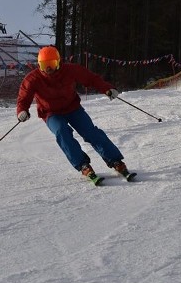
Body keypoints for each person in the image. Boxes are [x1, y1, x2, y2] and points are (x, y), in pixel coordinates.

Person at [16, 45, 134, 184]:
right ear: (39, 65)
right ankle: (83, 165)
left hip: (72, 108)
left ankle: (115, 161)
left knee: (90, 132)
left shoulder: (70, 70)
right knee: (62, 131)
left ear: (58, 62)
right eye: (44, 65)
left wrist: (107, 88)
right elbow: (23, 98)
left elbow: (91, 79)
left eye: (52, 64)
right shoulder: (33, 79)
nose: (48, 68)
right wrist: (22, 111)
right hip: (51, 113)